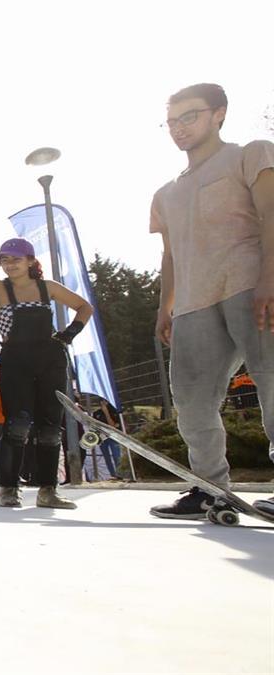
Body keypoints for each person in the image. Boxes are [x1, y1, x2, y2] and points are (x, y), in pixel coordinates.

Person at [147, 83, 274, 519]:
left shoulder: (250, 154)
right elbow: (170, 255)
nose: (179, 128)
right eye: (172, 121)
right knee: (191, 397)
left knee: (271, 380)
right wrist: (165, 307)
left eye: (190, 117)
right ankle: (209, 489)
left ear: (219, 113)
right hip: (193, 303)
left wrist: (269, 278)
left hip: (249, 284)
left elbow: (271, 215)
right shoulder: (166, 193)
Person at [0, 237, 94, 509]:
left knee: (50, 428)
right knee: (17, 423)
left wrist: (68, 335)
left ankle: (48, 490)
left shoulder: (47, 287)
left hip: (50, 360)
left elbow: (85, 307)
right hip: (15, 360)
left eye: (16, 259)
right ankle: (9, 488)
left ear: (31, 261)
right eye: (5, 260)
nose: (9, 265)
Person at [90, 398, 122, 480]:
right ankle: (113, 474)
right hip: (102, 438)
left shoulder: (114, 412)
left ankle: (120, 474)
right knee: (106, 457)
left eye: (105, 401)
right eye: (102, 401)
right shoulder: (96, 413)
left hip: (113, 437)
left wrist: (106, 412)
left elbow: (113, 426)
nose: (103, 403)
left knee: (116, 456)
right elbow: (95, 427)